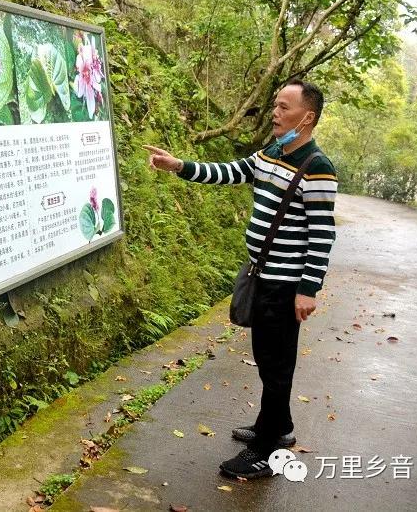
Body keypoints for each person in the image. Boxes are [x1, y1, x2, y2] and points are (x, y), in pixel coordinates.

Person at [143, 79, 338, 479]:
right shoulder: (271, 153)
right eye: (275, 106)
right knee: (269, 360)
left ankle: (266, 452)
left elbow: (321, 235)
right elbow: (230, 172)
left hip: (285, 287)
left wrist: (308, 289)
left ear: (308, 117)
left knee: (276, 365)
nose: (275, 114)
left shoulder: (318, 168)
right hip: (262, 276)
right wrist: (179, 165)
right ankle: (277, 428)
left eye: (284, 108)